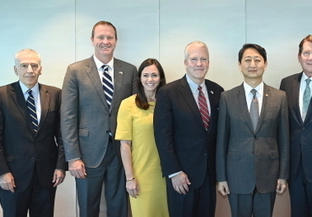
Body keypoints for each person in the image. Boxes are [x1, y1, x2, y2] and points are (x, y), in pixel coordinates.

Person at [61, 20, 137, 217]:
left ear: (116, 41)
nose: (105, 41)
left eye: (109, 37)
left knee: (119, 208)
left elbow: (137, 112)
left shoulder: (129, 70)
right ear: (92, 40)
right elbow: (68, 116)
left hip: (120, 152)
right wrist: (73, 157)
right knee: (88, 208)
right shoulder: (75, 70)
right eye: (100, 37)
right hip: (87, 154)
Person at [0, 49, 66, 217]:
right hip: (12, 176)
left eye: (34, 65)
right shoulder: (1, 95)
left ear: (40, 69)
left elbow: (62, 134)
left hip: (46, 176)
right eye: (24, 65)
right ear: (16, 69)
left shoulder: (55, 94)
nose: (30, 70)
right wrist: (2, 172)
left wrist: (60, 166)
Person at [216, 43, 289, 217]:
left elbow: (284, 139)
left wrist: (283, 175)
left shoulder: (280, 97)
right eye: (247, 60)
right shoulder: (227, 97)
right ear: (239, 65)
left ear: (265, 64)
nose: (253, 64)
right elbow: (221, 141)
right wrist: (221, 177)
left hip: (269, 175)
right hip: (237, 175)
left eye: (257, 60)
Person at [154, 41, 224, 217]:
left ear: (208, 62)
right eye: (193, 59)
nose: (199, 64)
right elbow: (163, 136)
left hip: (208, 176)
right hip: (182, 177)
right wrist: (174, 172)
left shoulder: (218, 91)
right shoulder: (168, 92)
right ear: (185, 63)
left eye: (203, 59)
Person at [115, 58, 168, 217]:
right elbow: (125, 144)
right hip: (141, 174)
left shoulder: (168, 103)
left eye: (154, 75)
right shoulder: (128, 104)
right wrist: (130, 178)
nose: (150, 80)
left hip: (167, 175)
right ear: (139, 79)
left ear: (161, 78)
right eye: (145, 75)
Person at [280, 35, 312, 217]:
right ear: (299, 56)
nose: (310, 58)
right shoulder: (287, 83)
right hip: (295, 168)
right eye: (306, 53)